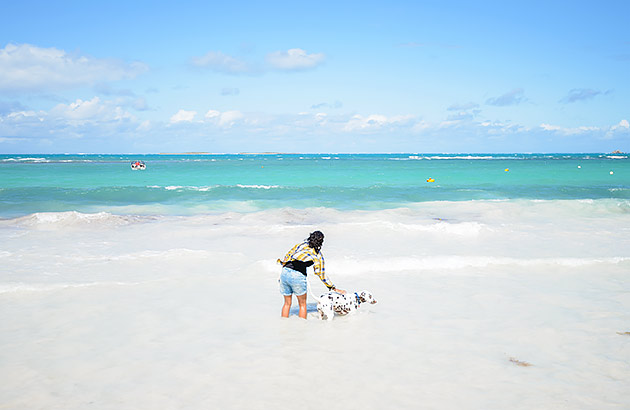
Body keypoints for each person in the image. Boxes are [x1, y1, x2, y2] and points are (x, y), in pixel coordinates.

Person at [278, 231, 346, 319]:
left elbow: (287, 256)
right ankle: (302, 329)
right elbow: (321, 274)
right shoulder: (318, 255)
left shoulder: (301, 245)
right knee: (302, 305)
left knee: (287, 303)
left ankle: (283, 327)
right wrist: (332, 287)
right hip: (298, 276)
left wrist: (282, 274)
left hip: (285, 272)